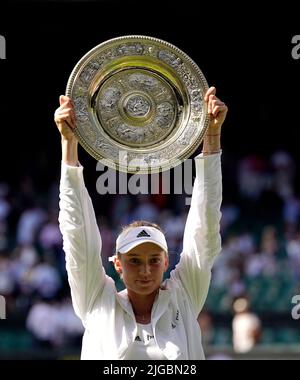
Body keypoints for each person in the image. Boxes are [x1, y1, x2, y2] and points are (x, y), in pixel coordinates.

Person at [55, 86, 228, 360]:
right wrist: (69, 145)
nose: (145, 270)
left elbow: (204, 227)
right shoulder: (97, 301)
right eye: (134, 260)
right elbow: (76, 233)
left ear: (166, 263)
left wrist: (211, 136)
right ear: (118, 264)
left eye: (154, 260)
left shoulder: (184, 297)